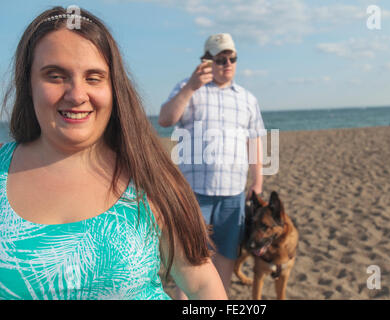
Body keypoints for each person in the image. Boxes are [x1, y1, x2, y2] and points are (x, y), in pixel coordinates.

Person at [0, 6, 227, 300]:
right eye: (55, 76)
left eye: (94, 77)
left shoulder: (150, 177)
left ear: (113, 87)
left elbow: (201, 286)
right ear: (28, 84)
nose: (77, 94)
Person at [159, 33, 266, 298]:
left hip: (232, 194)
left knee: (227, 256)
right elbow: (165, 119)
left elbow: (255, 140)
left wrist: (258, 180)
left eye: (232, 58)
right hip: (195, 192)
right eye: (220, 59)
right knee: (190, 259)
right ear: (207, 61)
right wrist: (190, 88)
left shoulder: (247, 98)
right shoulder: (188, 88)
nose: (227, 63)